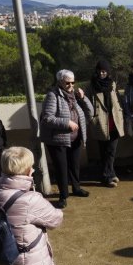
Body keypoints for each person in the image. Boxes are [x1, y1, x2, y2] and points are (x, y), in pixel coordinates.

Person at [40, 69, 93, 209]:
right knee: (61, 169)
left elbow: (90, 112)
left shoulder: (74, 95)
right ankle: (63, 195)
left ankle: (76, 188)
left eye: (73, 82)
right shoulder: (53, 95)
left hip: (75, 138)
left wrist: (84, 98)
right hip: (58, 139)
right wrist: (67, 123)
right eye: (67, 83)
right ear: (60, 82)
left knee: (75, 165)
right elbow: (47, 118)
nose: (71, 85)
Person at [86, 60, 125, 187]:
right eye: (100, 71)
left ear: (108, 72)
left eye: (104, 71)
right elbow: (86, 103)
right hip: (101, 122)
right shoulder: (91, 86)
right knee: (104, 151)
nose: (102, 73)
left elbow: (117, 99)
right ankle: (108, 176)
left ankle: (109, 174)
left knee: (111, 150)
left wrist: (121, 113)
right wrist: (92, 119)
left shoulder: (112, 84)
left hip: (114, 121)